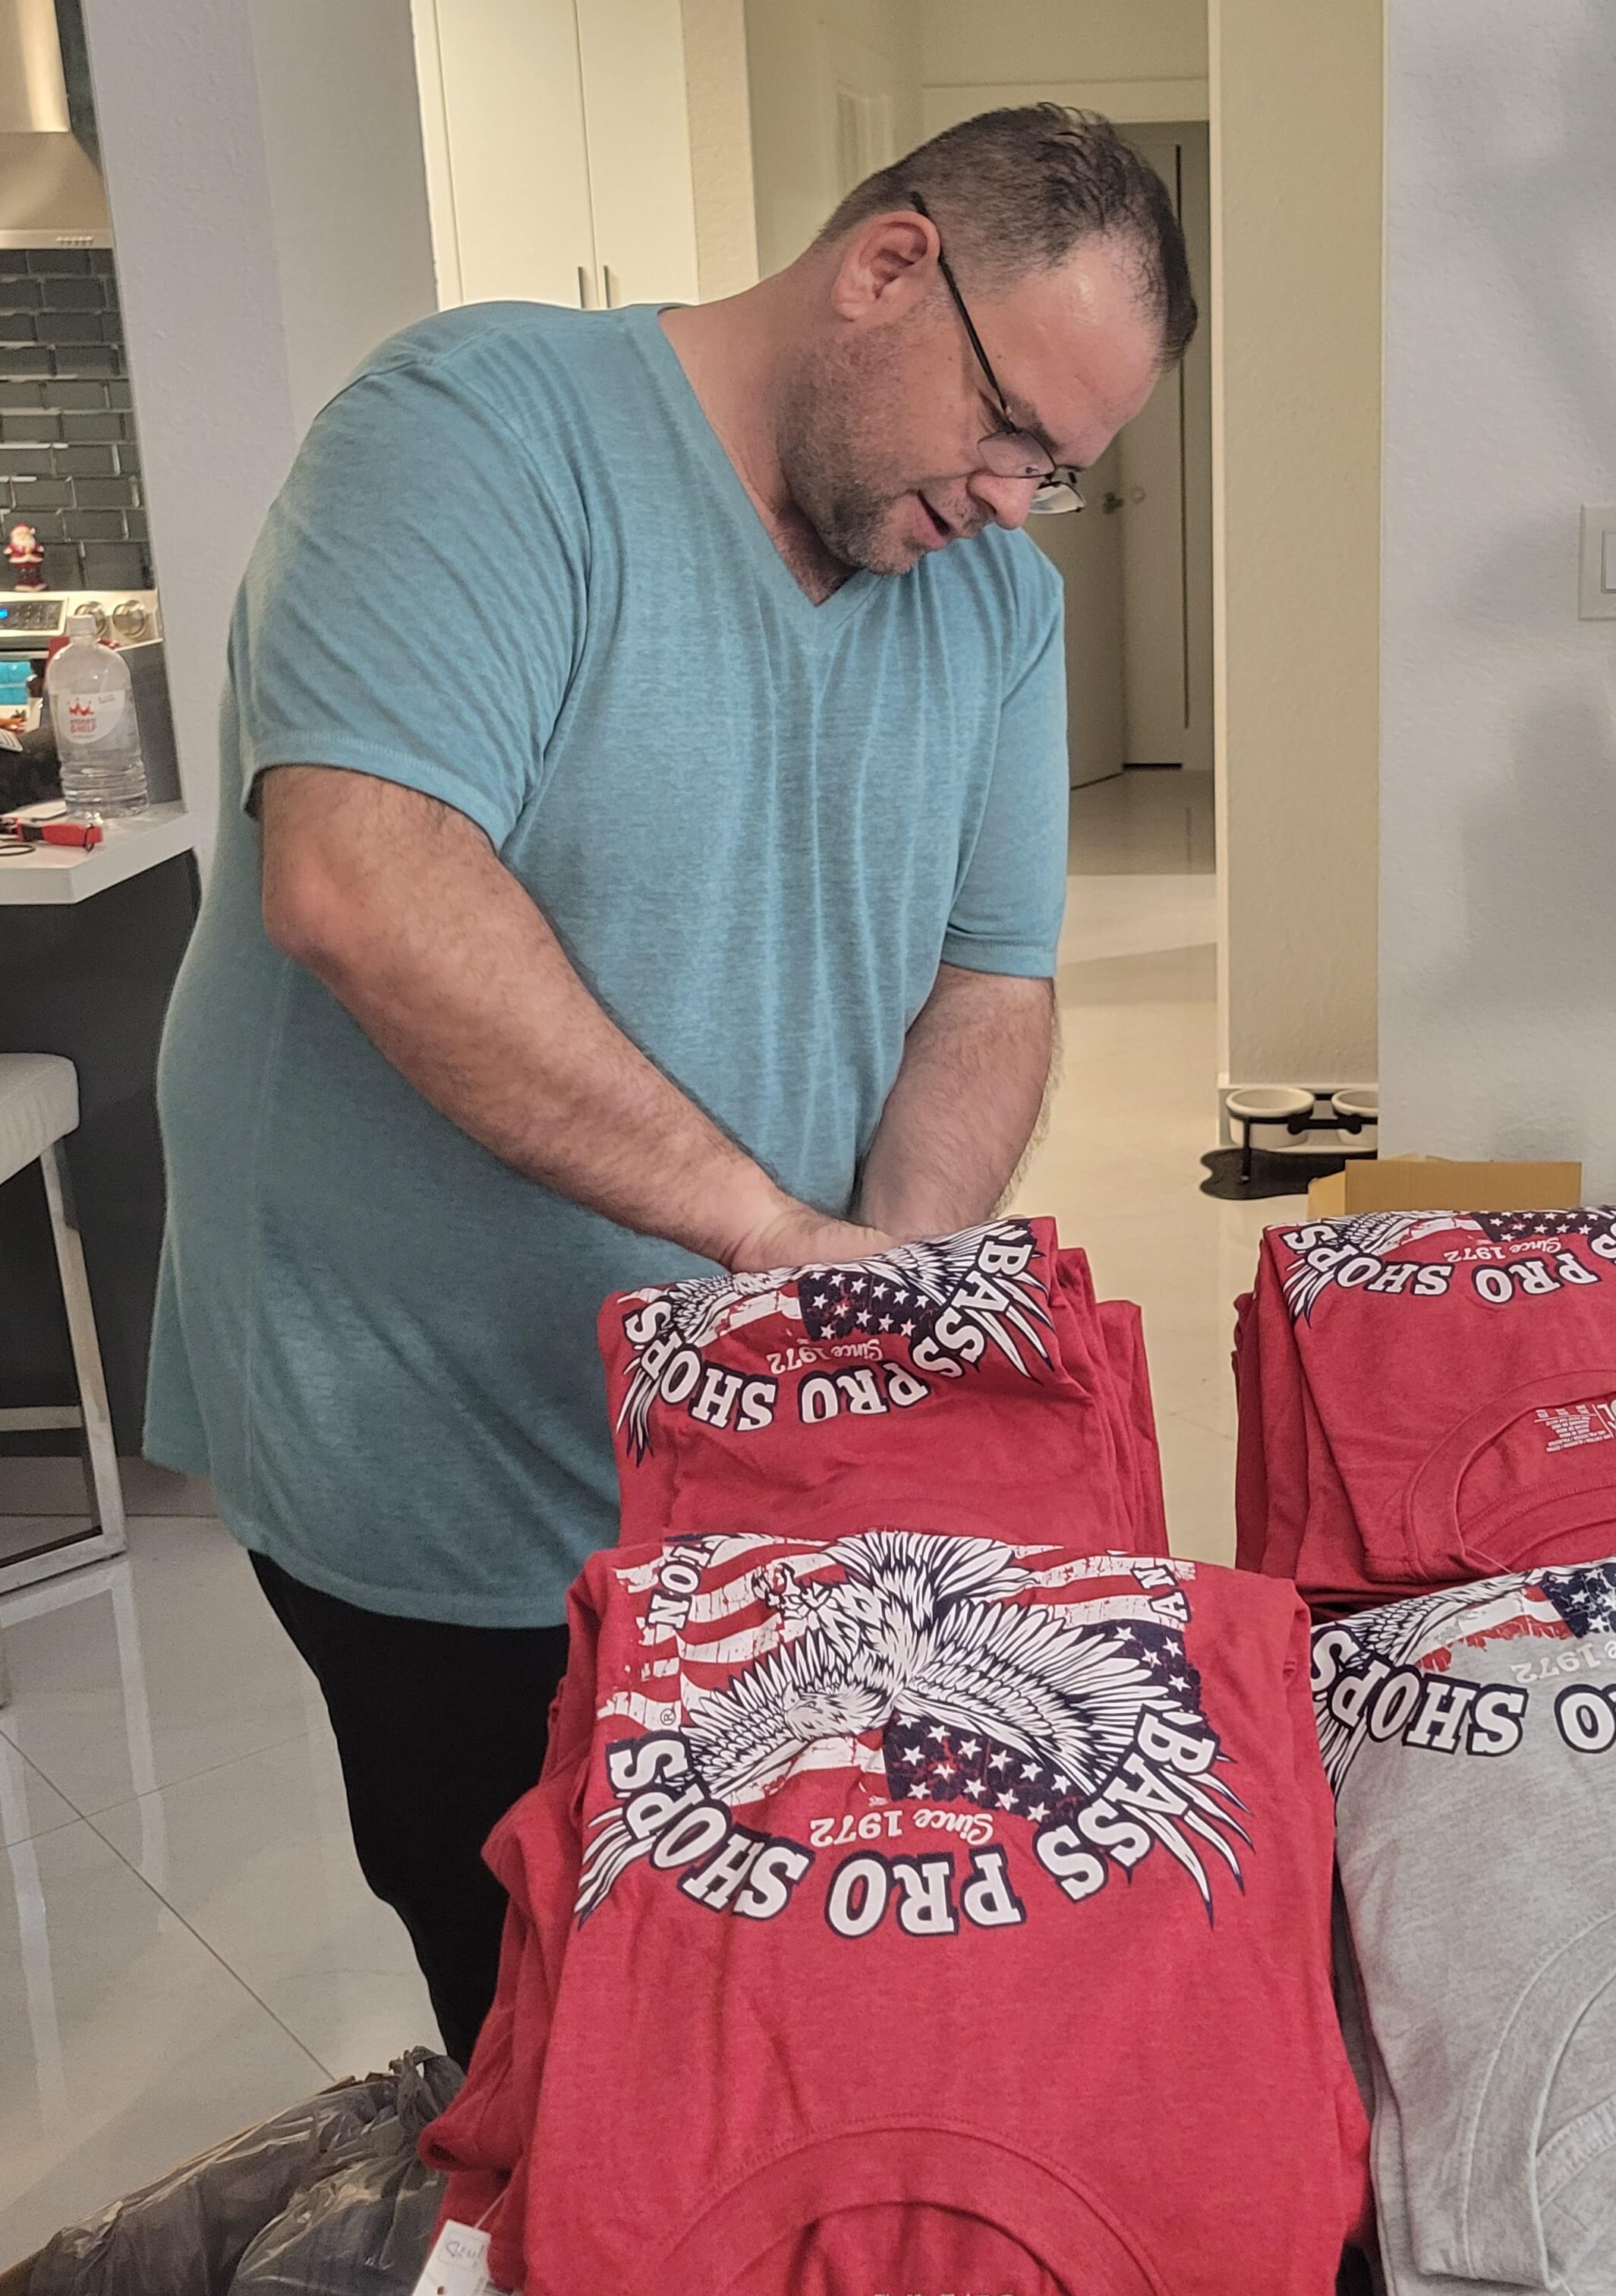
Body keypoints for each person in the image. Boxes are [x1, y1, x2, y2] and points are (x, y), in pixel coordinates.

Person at [146, 106, 1192, 2063]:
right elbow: (363, 887)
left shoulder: (997, 604)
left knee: (772, 2005)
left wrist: (880, 1286)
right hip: (427, 1427)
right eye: (1006, 429)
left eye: (1056, 473)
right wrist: (769, 1239)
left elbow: (992, 980)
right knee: (549, 2014)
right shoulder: (478, 433)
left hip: (745, 1446)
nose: (1010, 496)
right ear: (890, 266)